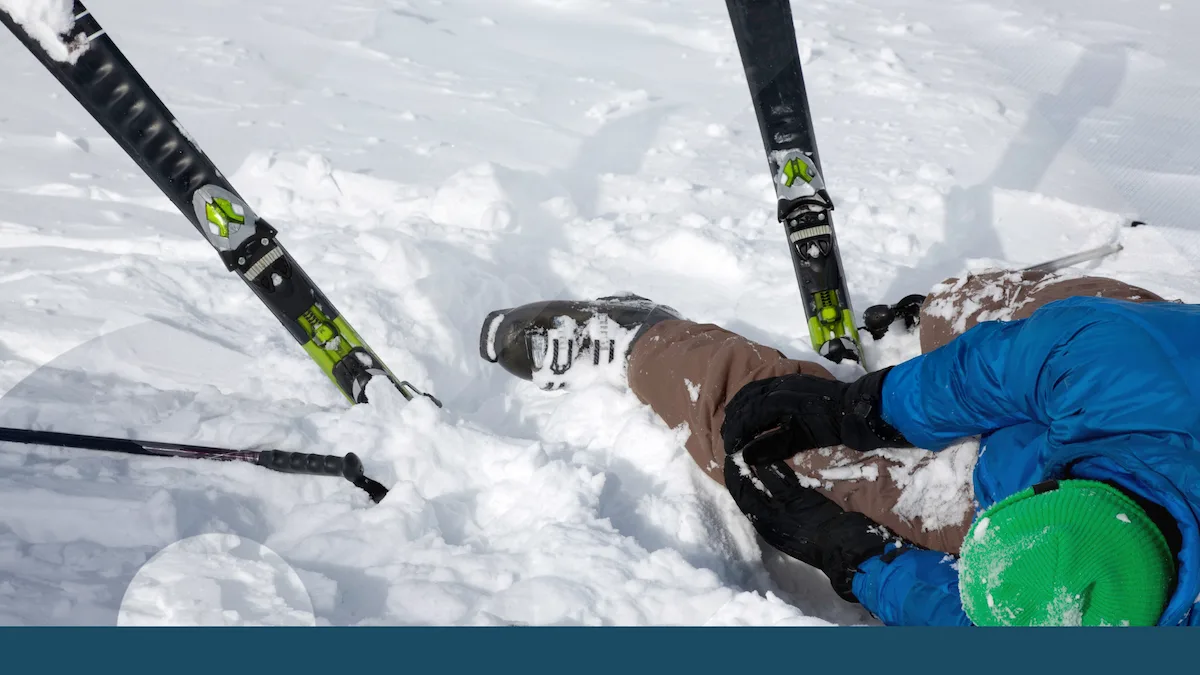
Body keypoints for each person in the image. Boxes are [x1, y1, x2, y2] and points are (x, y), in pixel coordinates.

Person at [478, 270, 1200, 626]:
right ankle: (957, 305)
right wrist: (858, 407)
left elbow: (974, 625)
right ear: (1053, 491)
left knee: (783, 457)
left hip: (1067, 435)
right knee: (992, 326)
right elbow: (998, 370)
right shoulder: (1118, 364)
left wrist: (858, 559)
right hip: (1134, 373)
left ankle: (644, 344)